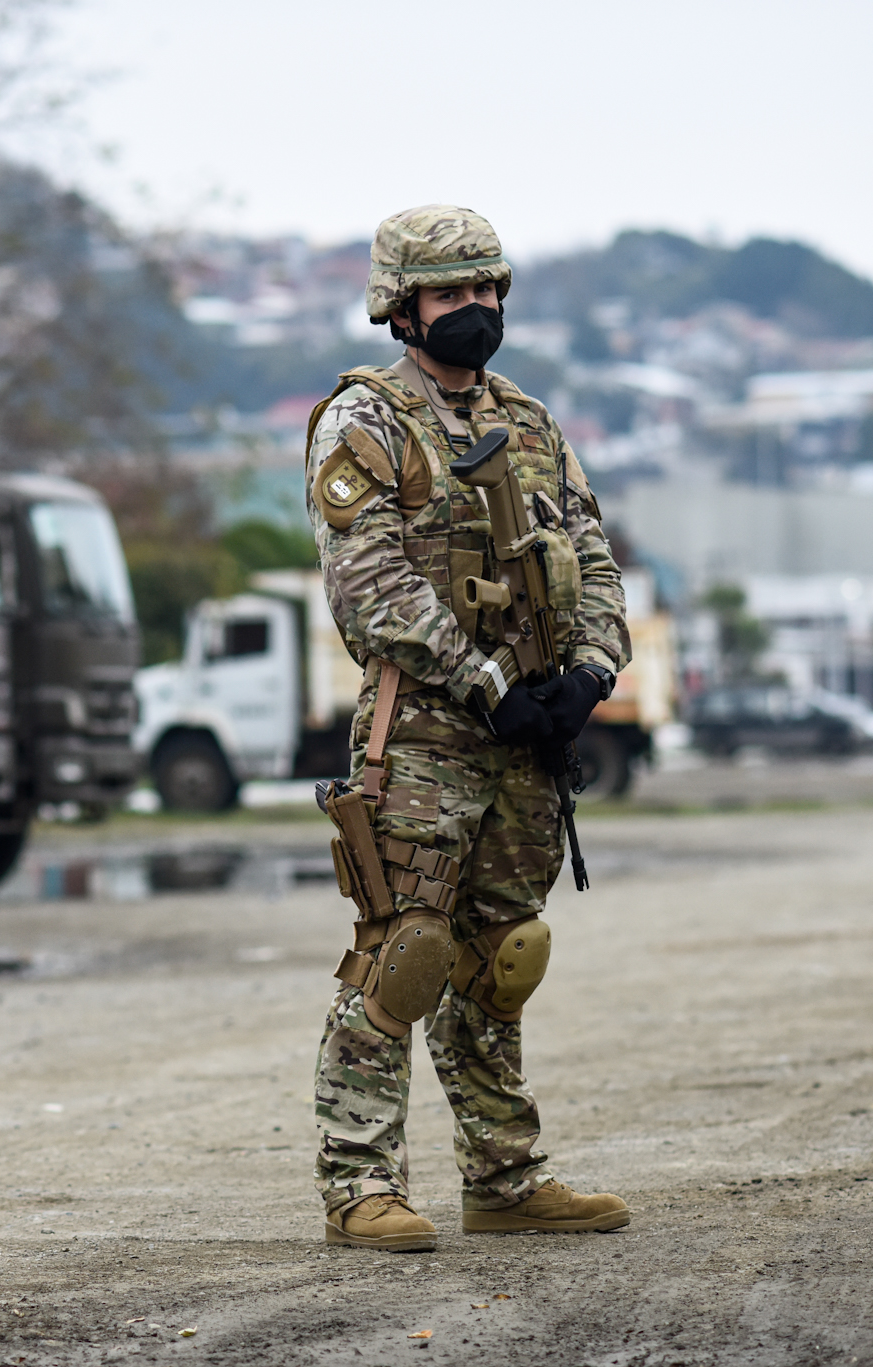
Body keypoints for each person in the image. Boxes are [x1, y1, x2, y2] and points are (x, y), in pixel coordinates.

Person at [303, 205, 633, 1251]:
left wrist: (587, 670)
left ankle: (502, 1175)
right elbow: (370, 589)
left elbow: (588, 554)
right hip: (424, 734)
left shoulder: (528, 423)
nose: (476, 308)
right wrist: (483, 677)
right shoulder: (365, 422)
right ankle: (360, 1184)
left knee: (500, 958)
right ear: (402, 308)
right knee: (400, 955)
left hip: (525, 738)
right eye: (452, 293)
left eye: (488, 289)